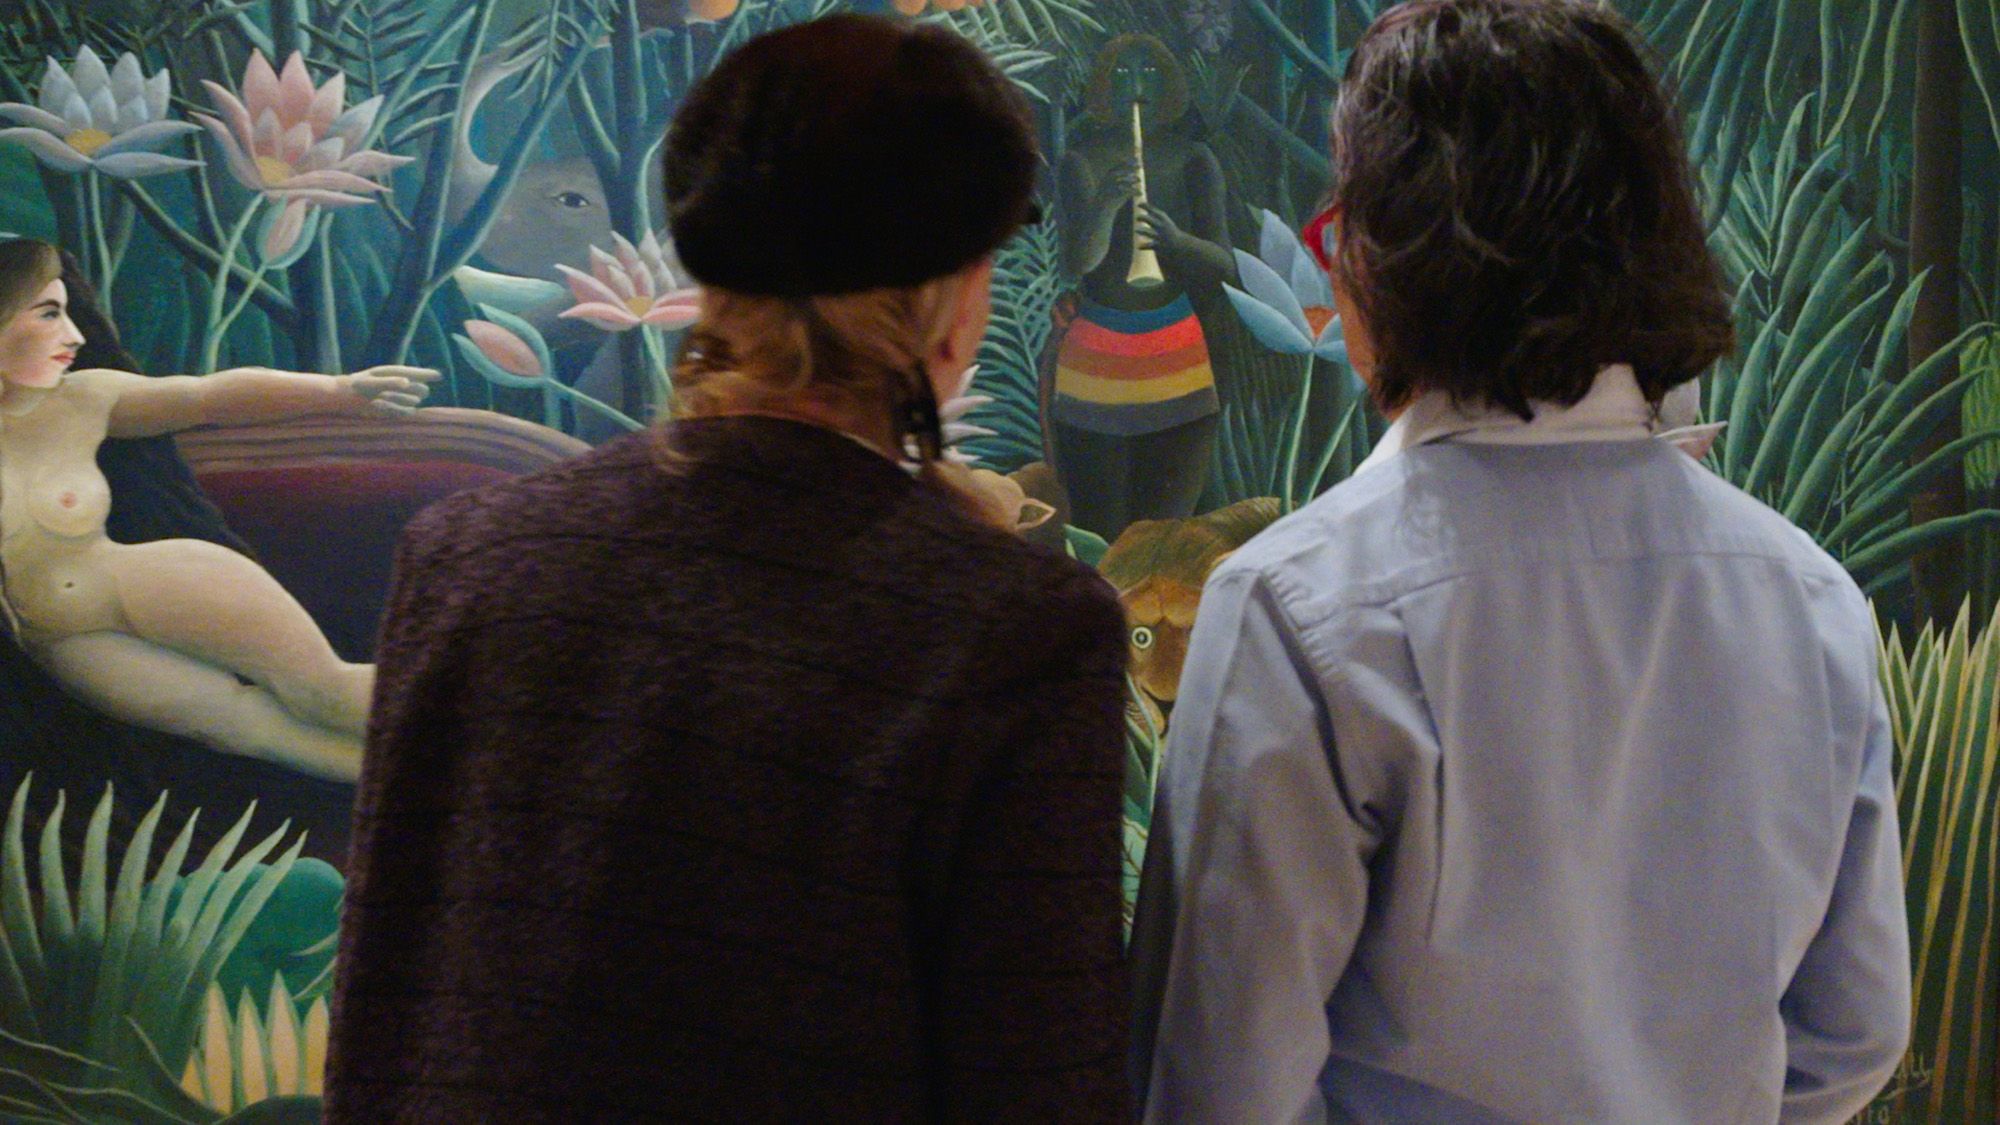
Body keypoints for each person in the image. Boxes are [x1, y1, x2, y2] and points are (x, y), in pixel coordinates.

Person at [327, 15, 1132, 1123]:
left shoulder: (465, 561)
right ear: (949, 303)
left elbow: (383, 1021)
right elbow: (1039, 1083)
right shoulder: (1017, 632)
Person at [1130, 2, 1911, 1122]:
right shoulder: (1808, 596)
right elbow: (1852, 1032)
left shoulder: (1299, 608)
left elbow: (1218, 1083)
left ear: (1384, 254)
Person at [0, 238, 436, 782]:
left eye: (67, 312)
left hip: (142, 583)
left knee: (322, 691)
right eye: (49, 314)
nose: (75, 336)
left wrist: (337, 391)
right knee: (244, 728)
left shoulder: (81, 400)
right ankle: (430, 789)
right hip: (66, 642)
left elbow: (206, 397)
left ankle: (506, 735)